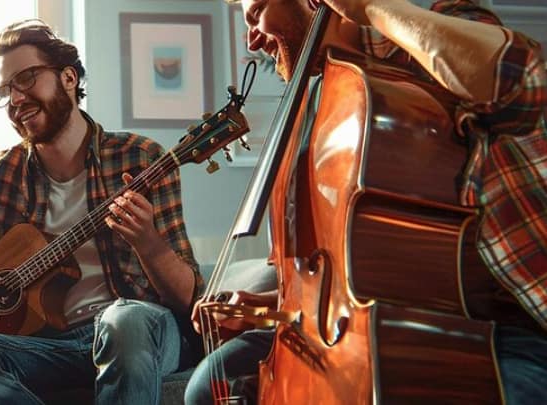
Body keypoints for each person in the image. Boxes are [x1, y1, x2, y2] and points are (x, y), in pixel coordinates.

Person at [184, 0, 547, 404]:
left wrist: (371, 7)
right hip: (366, 327)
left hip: (502, 327)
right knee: (207, 389)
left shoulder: (433, 41)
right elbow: (348, 270)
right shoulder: (316, 104)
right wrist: (269, 305)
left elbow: (524, 79)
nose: (251, 39)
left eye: (256, 15)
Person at [0, 19, 204, 404]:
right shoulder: (3, 171)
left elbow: (189, 298)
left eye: (27, 78)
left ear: (68, 78)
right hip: (47, 346)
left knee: (125, 319)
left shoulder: (141, 158)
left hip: (138, 330)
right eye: (6, 90)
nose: (16, 98)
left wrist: (147, 243)